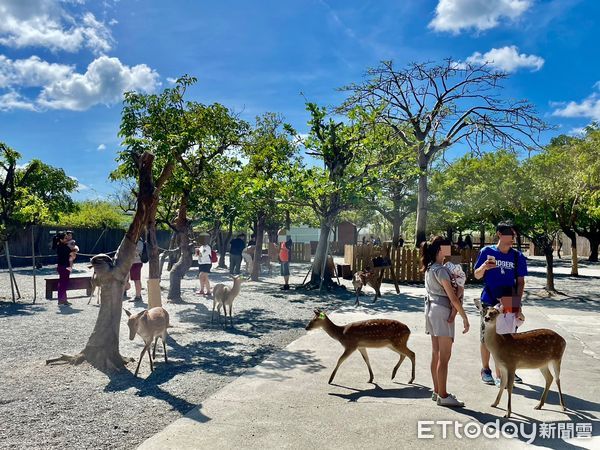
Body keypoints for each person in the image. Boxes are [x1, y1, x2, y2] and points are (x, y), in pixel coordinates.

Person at [473, 221, 527, 386]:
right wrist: (483, 267)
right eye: (510, 234)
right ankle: (486, 369)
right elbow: (476, 275)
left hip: (509, 299)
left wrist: (517, 305)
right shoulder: (487, 252)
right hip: (489, 299)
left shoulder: (518, 256)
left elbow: (520, 282)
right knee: (486, 337)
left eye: (514, 235)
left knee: (508, 337)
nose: (513, 238)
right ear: (499, 234)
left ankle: (506, 369)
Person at [421, 236, 470, 407]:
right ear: (440, 249)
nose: (450, 249)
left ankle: (437, 391)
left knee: (436, 354)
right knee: (445, 356)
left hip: (431, 311)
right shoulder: (441, 270)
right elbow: (453, 298)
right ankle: (443, 394)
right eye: (448, 247)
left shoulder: (430, 268)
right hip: (442, 311)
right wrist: (464, 317)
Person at [52, 231, 72, 306]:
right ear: (61, 239)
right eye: (65, 238)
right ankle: (61, 300)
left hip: (65, 266)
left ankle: (64, 300)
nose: (67, 239)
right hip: (63, 267)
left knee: (64, 283)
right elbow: (73, 251)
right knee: (63, 283)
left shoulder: (63, 246)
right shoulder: (62, 247)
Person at [125, 238, 145, 302]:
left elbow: (136, 252)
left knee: (137, 280)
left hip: (136, 262)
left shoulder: (139, 242)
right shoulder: (136, 241)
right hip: (133, 263)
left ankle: (138, 296)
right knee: (135, 280)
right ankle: (138, 295)